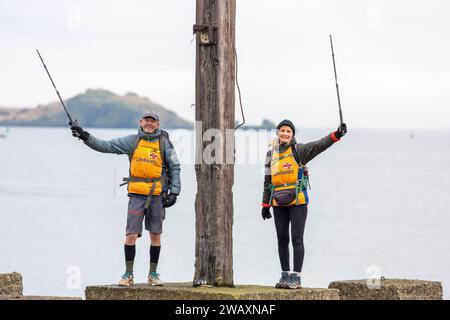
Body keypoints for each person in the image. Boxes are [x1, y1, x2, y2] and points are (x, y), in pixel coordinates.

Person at [70, 112, 181, 287]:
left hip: (157, 195)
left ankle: (153, 274)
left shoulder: (164, 143)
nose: (150, 124)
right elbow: (105, 146)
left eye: (153, 121)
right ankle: (128, 274)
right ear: (141, 122)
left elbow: (175, 166)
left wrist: (174, 192)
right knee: (130, 235)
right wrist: (85, 136)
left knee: (156, 235)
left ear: (158, 124)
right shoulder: (132, 141)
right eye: (147, 121)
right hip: (136, 194)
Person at [261, 119, 347, 289]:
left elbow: (319, 145)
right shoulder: (271, 154)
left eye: (288, 131)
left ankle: (296, 277)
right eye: (282, 130)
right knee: (282, 239)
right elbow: (267, 181)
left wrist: (336, 135)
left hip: (298, 202)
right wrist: (265, 204)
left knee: (297, 239)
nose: (285, 133)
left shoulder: (299, 150)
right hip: (278, 202)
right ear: (278, 133)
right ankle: (285, 275)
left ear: (292, 135)